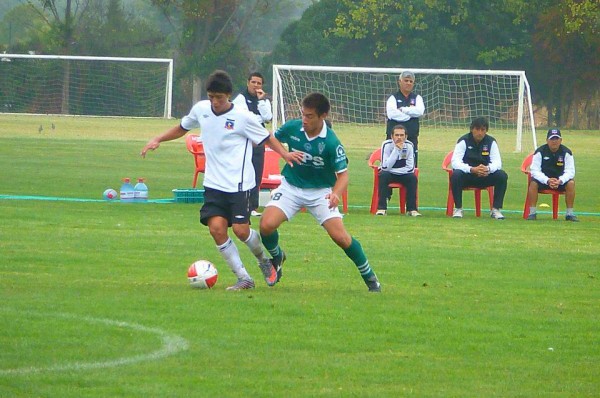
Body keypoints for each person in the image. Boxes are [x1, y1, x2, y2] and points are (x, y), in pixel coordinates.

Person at [140, 70, 303, 291]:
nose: (215, 102)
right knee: (216, 229)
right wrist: (158, 138)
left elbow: (267, 138)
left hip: (239, 185)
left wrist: (285, 155)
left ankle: (266, 261)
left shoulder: (243, 117)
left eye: (219, 97)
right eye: (211, 96)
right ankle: (244, 278)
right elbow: (182, 127)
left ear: (228, 96)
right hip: (214, 184)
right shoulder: (201, 110)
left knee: (241, 231)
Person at [259, 92, 381, 292]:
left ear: (323, 116)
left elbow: (343, 175)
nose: (304, 120)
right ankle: (277, 257)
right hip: (291, 187)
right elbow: (269, 138)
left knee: (341, 237)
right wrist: (285, 153)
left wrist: (336, 194)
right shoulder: (293, 127)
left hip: (320, 193)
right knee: (266, 225)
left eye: (309, 116)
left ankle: (370, 277)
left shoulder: (332, 142)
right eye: (303, 114)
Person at [450, 117, 508, 219]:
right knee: (456, 174)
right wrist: (472, 169)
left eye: (483, 130)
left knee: (502, 175)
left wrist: (487, 169)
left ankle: (496, 209)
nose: (480, 133)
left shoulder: (491, 142)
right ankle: (458, 209)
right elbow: (455, 162)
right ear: (472, 129)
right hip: (468, 176)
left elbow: (497, 162)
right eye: (477, 129)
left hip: (484, 176)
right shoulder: (463, 141)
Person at [232, 72, 273, 217]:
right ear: (247, 82)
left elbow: (268, 117)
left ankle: (253, 206)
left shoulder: (264, 100)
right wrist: (258, 118)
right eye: (253, 82)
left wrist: (261, 101)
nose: (256, 86)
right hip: (244, 142)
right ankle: (241, 204)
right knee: (243, 173)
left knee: (257, 173)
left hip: (259, 142)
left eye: (259, 83)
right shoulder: (240, 99)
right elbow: (245, 118)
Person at [526, 128, 578, 221]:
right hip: (544, 181)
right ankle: (532, 213)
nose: (554, 141)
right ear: (547, 140)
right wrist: (547, 180)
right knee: (533, 184)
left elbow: (570, 171)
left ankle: (569, 214)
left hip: (560, 182)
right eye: (552, 139)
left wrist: (560, 180)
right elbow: (534, 170)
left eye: (556, 139)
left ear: (561, 140)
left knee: (571, 183)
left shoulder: (567, 152)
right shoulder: (540, 152)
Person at [375, 124, 421, 217]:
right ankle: (382, 208)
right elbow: (385, 167)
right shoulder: (386, 145)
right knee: (384, 175)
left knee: (412, 178)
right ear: (392, 136)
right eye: (396, 135)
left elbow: (410, 168)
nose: (399, 138)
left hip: (403, 174)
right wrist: (396, 150)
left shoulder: (409, 146)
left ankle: (411, 209)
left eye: (401, 135)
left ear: (406, 136)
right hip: (389, 174)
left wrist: (396, 170)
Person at [385, 71, 425, 166]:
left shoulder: (417, 98)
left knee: (411, 165)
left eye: (411, 81)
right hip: (393, 139)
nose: (408, 83)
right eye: (406, 80)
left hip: (411, 138)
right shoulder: (393, 98)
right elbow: (392, 114)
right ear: (400, 81)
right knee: (391, 163)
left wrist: (403, 109)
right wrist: (411, 114)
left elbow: (420, 112)